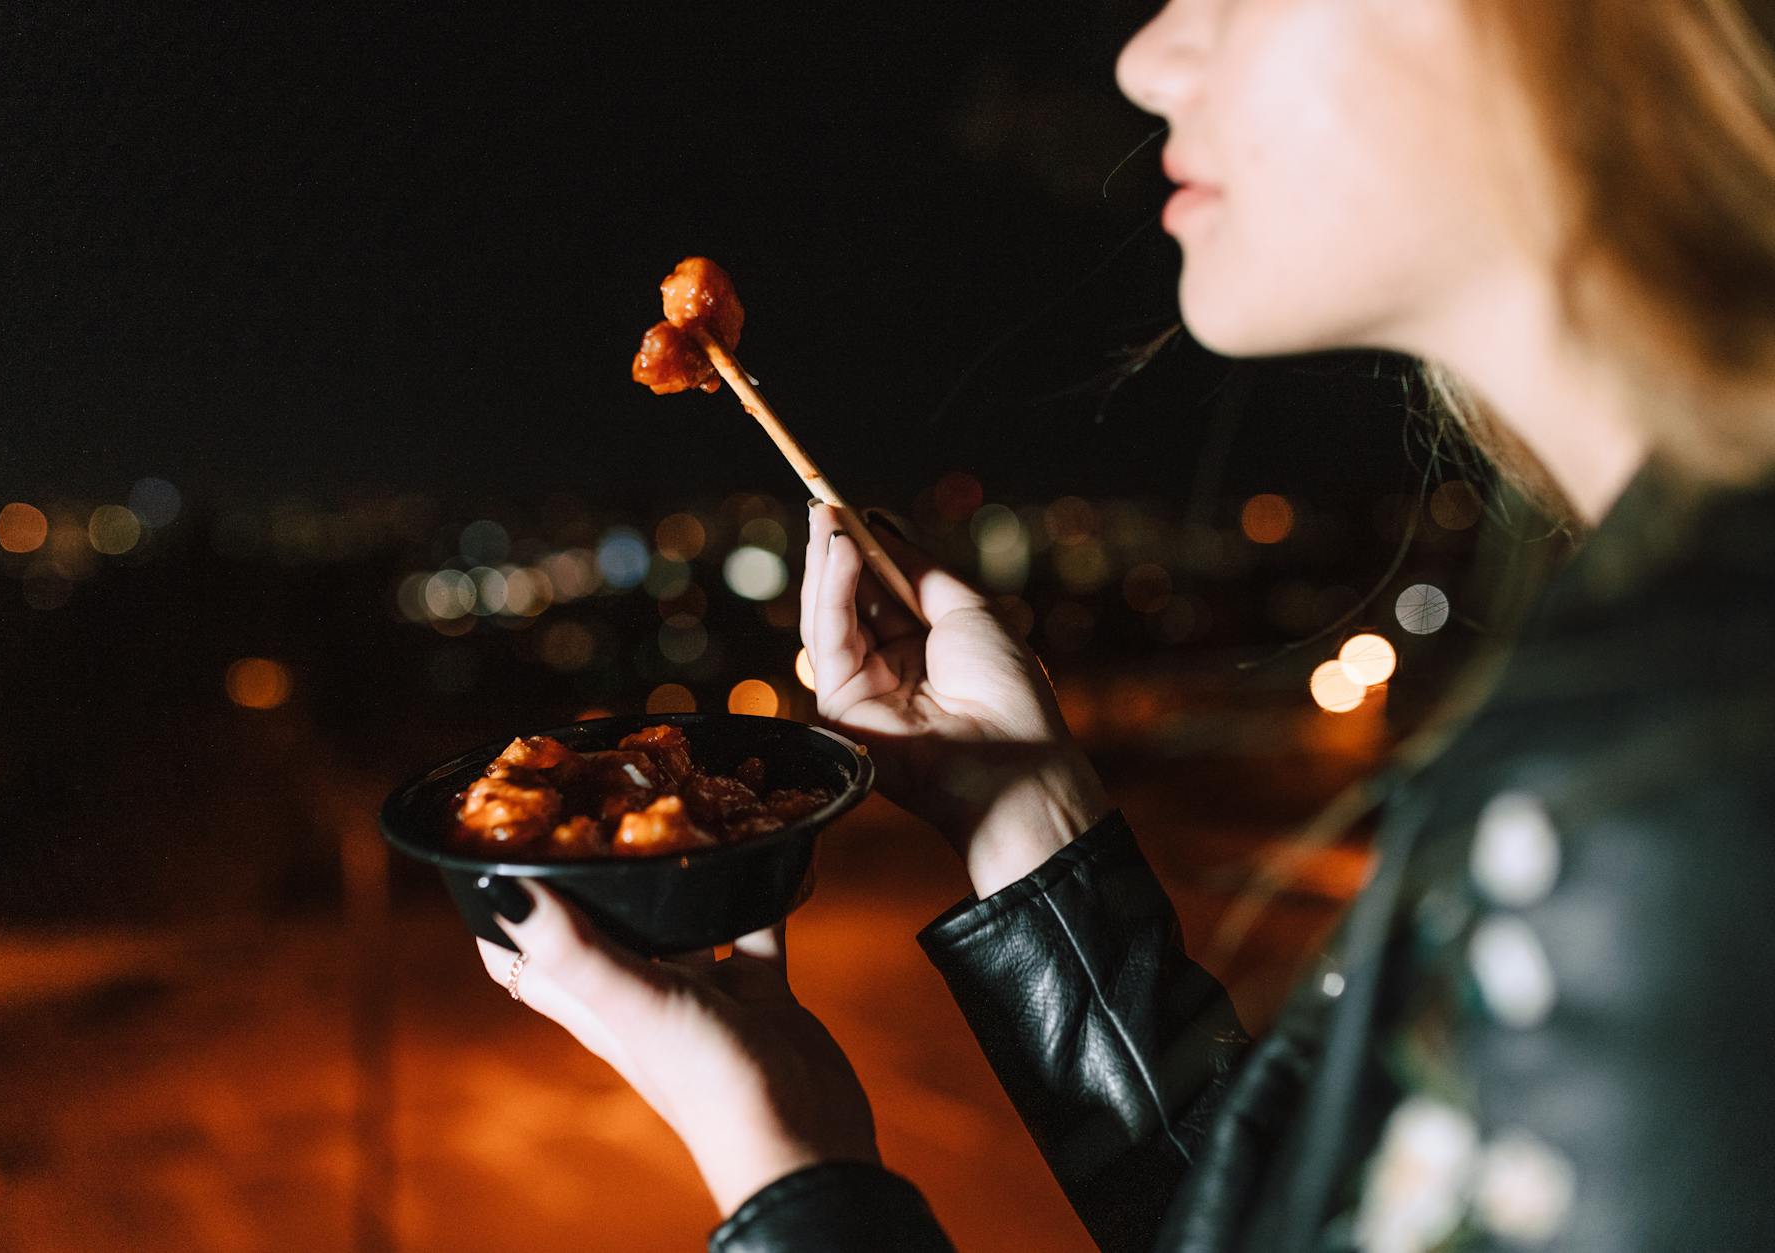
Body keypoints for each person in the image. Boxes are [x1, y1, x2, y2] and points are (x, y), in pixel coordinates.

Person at [477, 0, 1775, 1248]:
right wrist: (1021, 815)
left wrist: (780, 1185)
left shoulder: (1685, 799)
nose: (1152, 58)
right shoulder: (1658, 702)